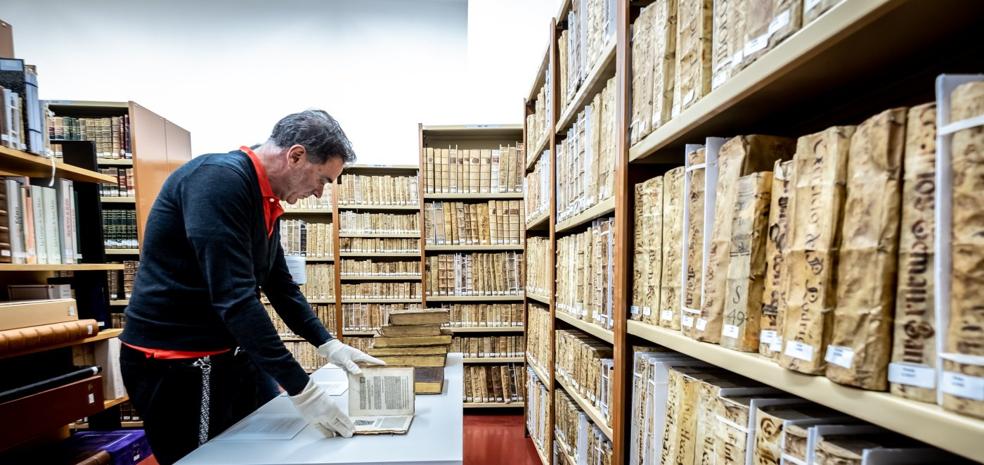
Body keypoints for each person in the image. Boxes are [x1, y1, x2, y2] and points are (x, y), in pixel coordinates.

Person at [119, 110, 384, 465]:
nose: (319, 193)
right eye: (322, 179)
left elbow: (280, 285)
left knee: (271, 451)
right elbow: (235, 298)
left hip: (231, 354)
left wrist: (328, 344)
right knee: (207, 461)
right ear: (296, 156)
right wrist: (303, 389)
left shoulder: (265, 199)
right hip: (181, 362)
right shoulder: (218, 182)